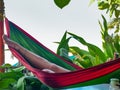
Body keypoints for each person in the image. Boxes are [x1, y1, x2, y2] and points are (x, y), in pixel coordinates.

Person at [3, 35, 70, 73]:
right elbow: (53, 67)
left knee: (50, 70)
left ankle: (19, 48)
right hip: (76, 79)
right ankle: (19, 48)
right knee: (53, 67)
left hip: (76, 83)